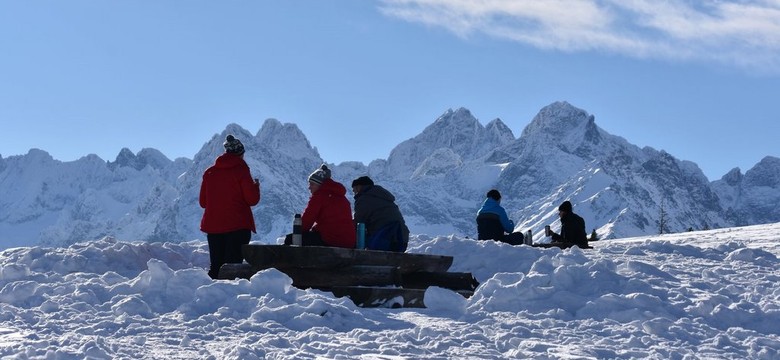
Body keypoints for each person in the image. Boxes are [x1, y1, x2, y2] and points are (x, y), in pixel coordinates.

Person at [199, 135, 261, 279]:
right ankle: (230, 299)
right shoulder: (241, 170)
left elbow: (203, 202)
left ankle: (211, 297)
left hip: (213, 227)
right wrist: (256, 187)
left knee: (216, 267)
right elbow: (252, 199)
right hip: (237, 226)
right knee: (232, 268)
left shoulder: (209, 172)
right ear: (241, 153)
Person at [284, 164, 356, 248]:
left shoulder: (319, 196)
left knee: (290, 239)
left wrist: (298, 233)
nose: (309, 187)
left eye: (312, 184)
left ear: (320, 184)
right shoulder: (342, 198)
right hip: (349, 241)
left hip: (330, 239)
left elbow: (307, 221)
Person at [351, 176, 409, 252]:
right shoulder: (383, 197)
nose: (354, 192)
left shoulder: (363, 199)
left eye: (354, 189)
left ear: (359, 187)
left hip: (383, 238)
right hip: (402, 239)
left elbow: (359, 222)